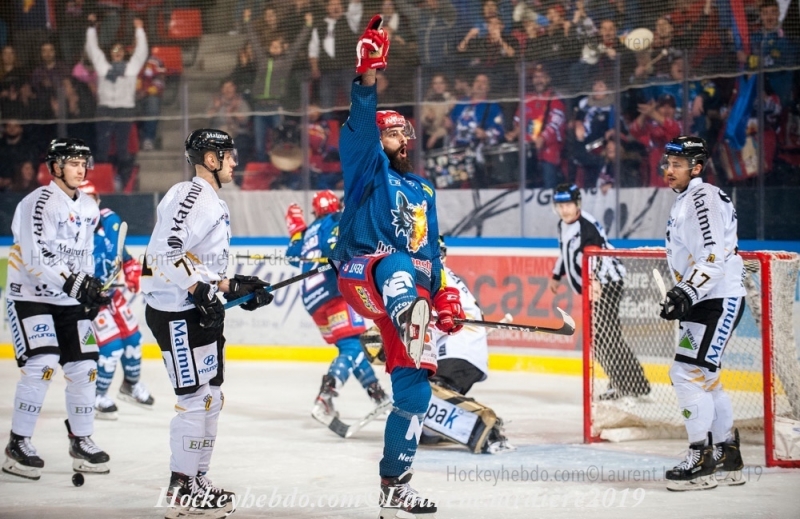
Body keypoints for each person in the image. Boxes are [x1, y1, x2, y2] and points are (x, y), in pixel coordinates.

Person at [330, 15, 464, 518]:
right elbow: (360, 130)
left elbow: (433, 251)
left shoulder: (423, 190)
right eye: (387, 132)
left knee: (415, 391)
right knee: (400, 263)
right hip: (365, 271)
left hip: (406, 292)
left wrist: (444, 296)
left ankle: (396, 481)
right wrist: (367, 78)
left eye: (396, 132)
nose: (394, 137)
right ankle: (412, 308)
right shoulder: (370, 170)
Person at [141, 129, 274, 517]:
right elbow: (165, 253)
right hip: (176, 312)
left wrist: (234, 287)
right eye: (228, 155)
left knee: (212, 396)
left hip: (194, 308)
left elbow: (193, 261)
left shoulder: (209, 200)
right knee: (196, 399)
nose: (234, 161)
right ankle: (181, 487)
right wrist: (200, 289)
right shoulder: (192, 195)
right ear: (210, 159)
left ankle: (197, 478)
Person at [3, 138, 111, 481]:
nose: (80, 168)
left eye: (83, 162)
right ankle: (17, 443)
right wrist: (77, 284)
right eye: (73, 162)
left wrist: (90, 290)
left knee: (85, 366)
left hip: (67, 299)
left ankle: (81, 440)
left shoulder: (90, 205)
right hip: (30, 295)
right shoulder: (38, 202)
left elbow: (85, 254)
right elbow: (36, 258)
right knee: (43, 362)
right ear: (54, 167)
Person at [659, 136, 746, 491]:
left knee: (684, 374)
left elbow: (713, 254)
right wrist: (688, 292)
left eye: (677, 165)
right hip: (707, 298)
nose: (669, 170)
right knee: (705, 378)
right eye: (667, 163)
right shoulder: (687, 200)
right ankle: (728, 455)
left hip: (717, 297)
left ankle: (702, 457)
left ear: (697, 167)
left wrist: (685, 290)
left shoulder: (701, 197)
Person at [284, 190, 389, 426]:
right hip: (336, 293)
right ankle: (325, 397)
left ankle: (378, 396)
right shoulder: (335, 219)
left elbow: (292, 256)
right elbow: (334, 246)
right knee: (353, 346)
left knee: (351, 347)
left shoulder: (309, 230)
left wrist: (296, 231)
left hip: (312, 301)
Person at [548, 183, 650, 401]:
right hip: (596, 285)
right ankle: (634, 384)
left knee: (604, 337)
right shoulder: (563, 225)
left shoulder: (587, 227)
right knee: (605, 336)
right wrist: (556, 275)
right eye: (560, 205)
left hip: (607, 284)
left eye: (568, 205)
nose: (564, 210)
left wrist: (594, 281)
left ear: (577, 204)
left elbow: (594, 256)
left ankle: (627, 385)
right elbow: (564, 251)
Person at [421, 237, 513, 454]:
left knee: (424, 394)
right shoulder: (439, 274)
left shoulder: (434, 276)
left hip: (459, 350)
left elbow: (434, 322)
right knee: (422, 426)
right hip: (464, 350)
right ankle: (445, 426)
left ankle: (485, 427)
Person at [77, 180, 154, 421]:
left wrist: (133, 271)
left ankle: (130, 385)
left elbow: (125, 255)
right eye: (84, 200)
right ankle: (96, 397)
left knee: (133, 339)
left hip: (112, 294)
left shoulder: (111, 220)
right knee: (110, 348)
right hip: (88, 301)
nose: (90, 204)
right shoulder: (71, 232)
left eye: (94, 198)